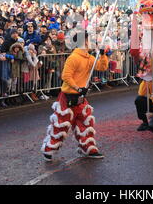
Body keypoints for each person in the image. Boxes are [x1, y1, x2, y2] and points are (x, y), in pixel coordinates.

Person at [41, 31, 108, 161]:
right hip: (67, 97)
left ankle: (89, 148)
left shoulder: (89, 57)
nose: (90, 43)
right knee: (61, 125)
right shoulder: (74, 57)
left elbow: (101, 67)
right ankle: (49, 149)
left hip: (80, 98)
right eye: (88, 40)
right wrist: (78, 88)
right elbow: (65, 76)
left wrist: (103, 55)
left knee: (85, 123)